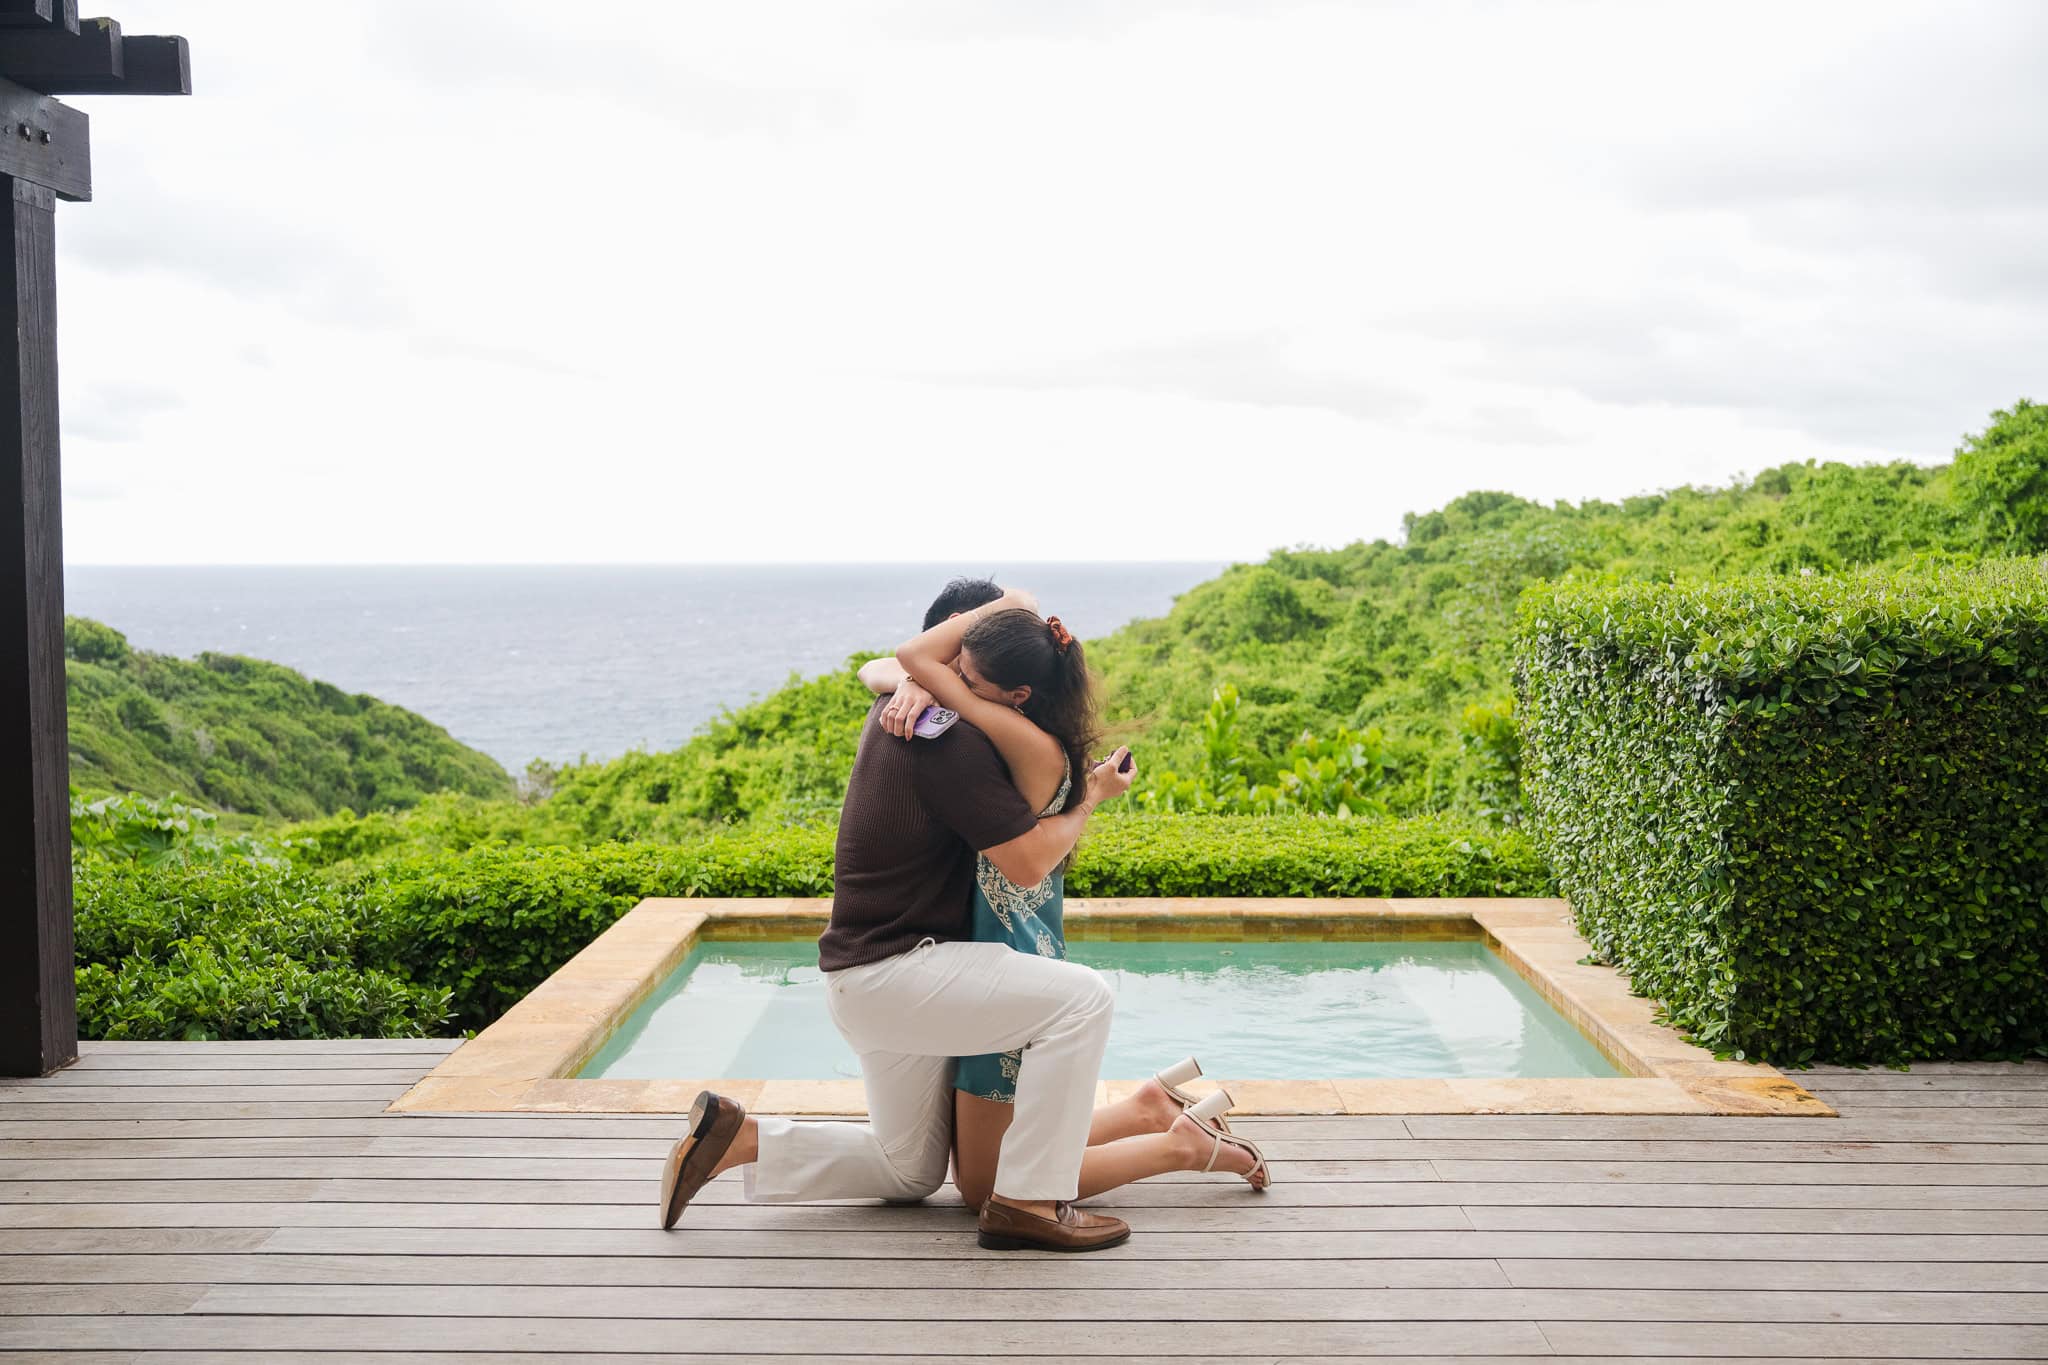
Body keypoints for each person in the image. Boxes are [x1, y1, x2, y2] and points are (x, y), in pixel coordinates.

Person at [658, 582, 1141, 1253]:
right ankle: (1028, 1199)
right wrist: (1087, 800)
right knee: (1085, 1001)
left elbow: (892, 666)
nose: (955, 674)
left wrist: (927, 669)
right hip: (898, 973)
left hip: (866, 977)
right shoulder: (949, 739)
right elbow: (1027, 864)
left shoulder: (906, 704)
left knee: (908, 1167)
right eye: (956, 658)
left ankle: (741, 1137)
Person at [866, 585, 1271, 1205]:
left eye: (968, 678)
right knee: (1005, 1152)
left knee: (984, 1184)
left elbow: (908, 655)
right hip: (1013, 941)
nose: (956, 683)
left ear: (1015, 693)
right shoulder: (1036, 733)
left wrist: (918, 676)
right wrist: (916, 680)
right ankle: (1144, 1109)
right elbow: (900, 666)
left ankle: (1182, 1146)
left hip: (1002, 952)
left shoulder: (1014, 737)